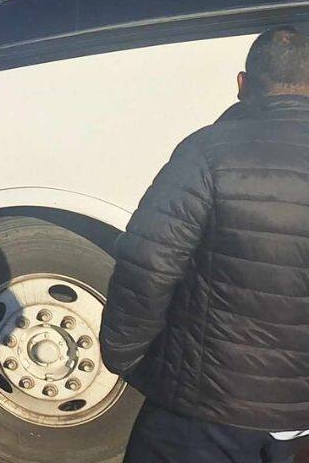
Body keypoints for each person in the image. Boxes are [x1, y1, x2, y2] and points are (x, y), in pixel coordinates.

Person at [101, 27, 309, 462]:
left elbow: (149, 264)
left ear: (242, 84)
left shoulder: (207, 152)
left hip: (204, 410)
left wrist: (124, 354)